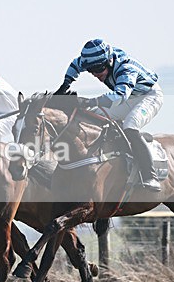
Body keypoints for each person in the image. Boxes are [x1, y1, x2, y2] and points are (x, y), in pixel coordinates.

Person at [57, 38, 164, 192]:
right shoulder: (91, 59)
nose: (95, 74)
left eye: (99, 69)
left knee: (130, 126)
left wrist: (90, 101)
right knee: (92, 116)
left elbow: (119, 96)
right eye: (91, 70)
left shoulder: (126, 68)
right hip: (129, 96)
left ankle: (150, 175)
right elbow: (75, 64)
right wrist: (65, 85)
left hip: (148, 96)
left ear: (109, 61)